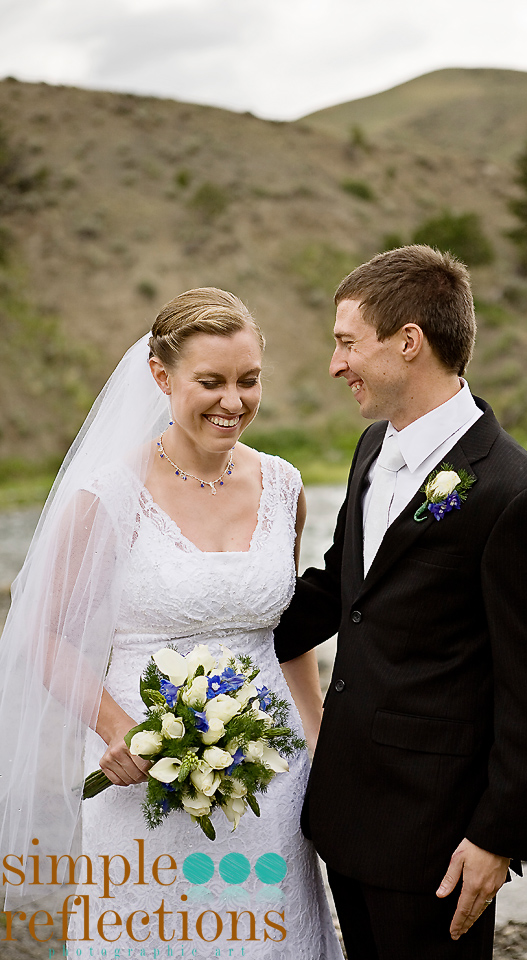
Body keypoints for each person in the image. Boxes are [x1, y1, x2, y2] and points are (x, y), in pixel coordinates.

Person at [0, 287, 343, 958]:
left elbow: (286, 627)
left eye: (249, 380)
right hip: (144, 776)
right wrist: (116, 728)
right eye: (210, 382)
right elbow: (46, 634)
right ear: (162, 377)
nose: (233, 401)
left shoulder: (284, 486)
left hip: (267, 777)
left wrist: (314, 727)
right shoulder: (107, 496)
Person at [273, 245, 527, 959]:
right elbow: (339, 591)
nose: (334, 363)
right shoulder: (372, 448)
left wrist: (495, 837)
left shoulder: (514, 495)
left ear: (407, 341)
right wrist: (214, 618)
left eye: (346, 342)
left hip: (437, 838)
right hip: (345, 815)